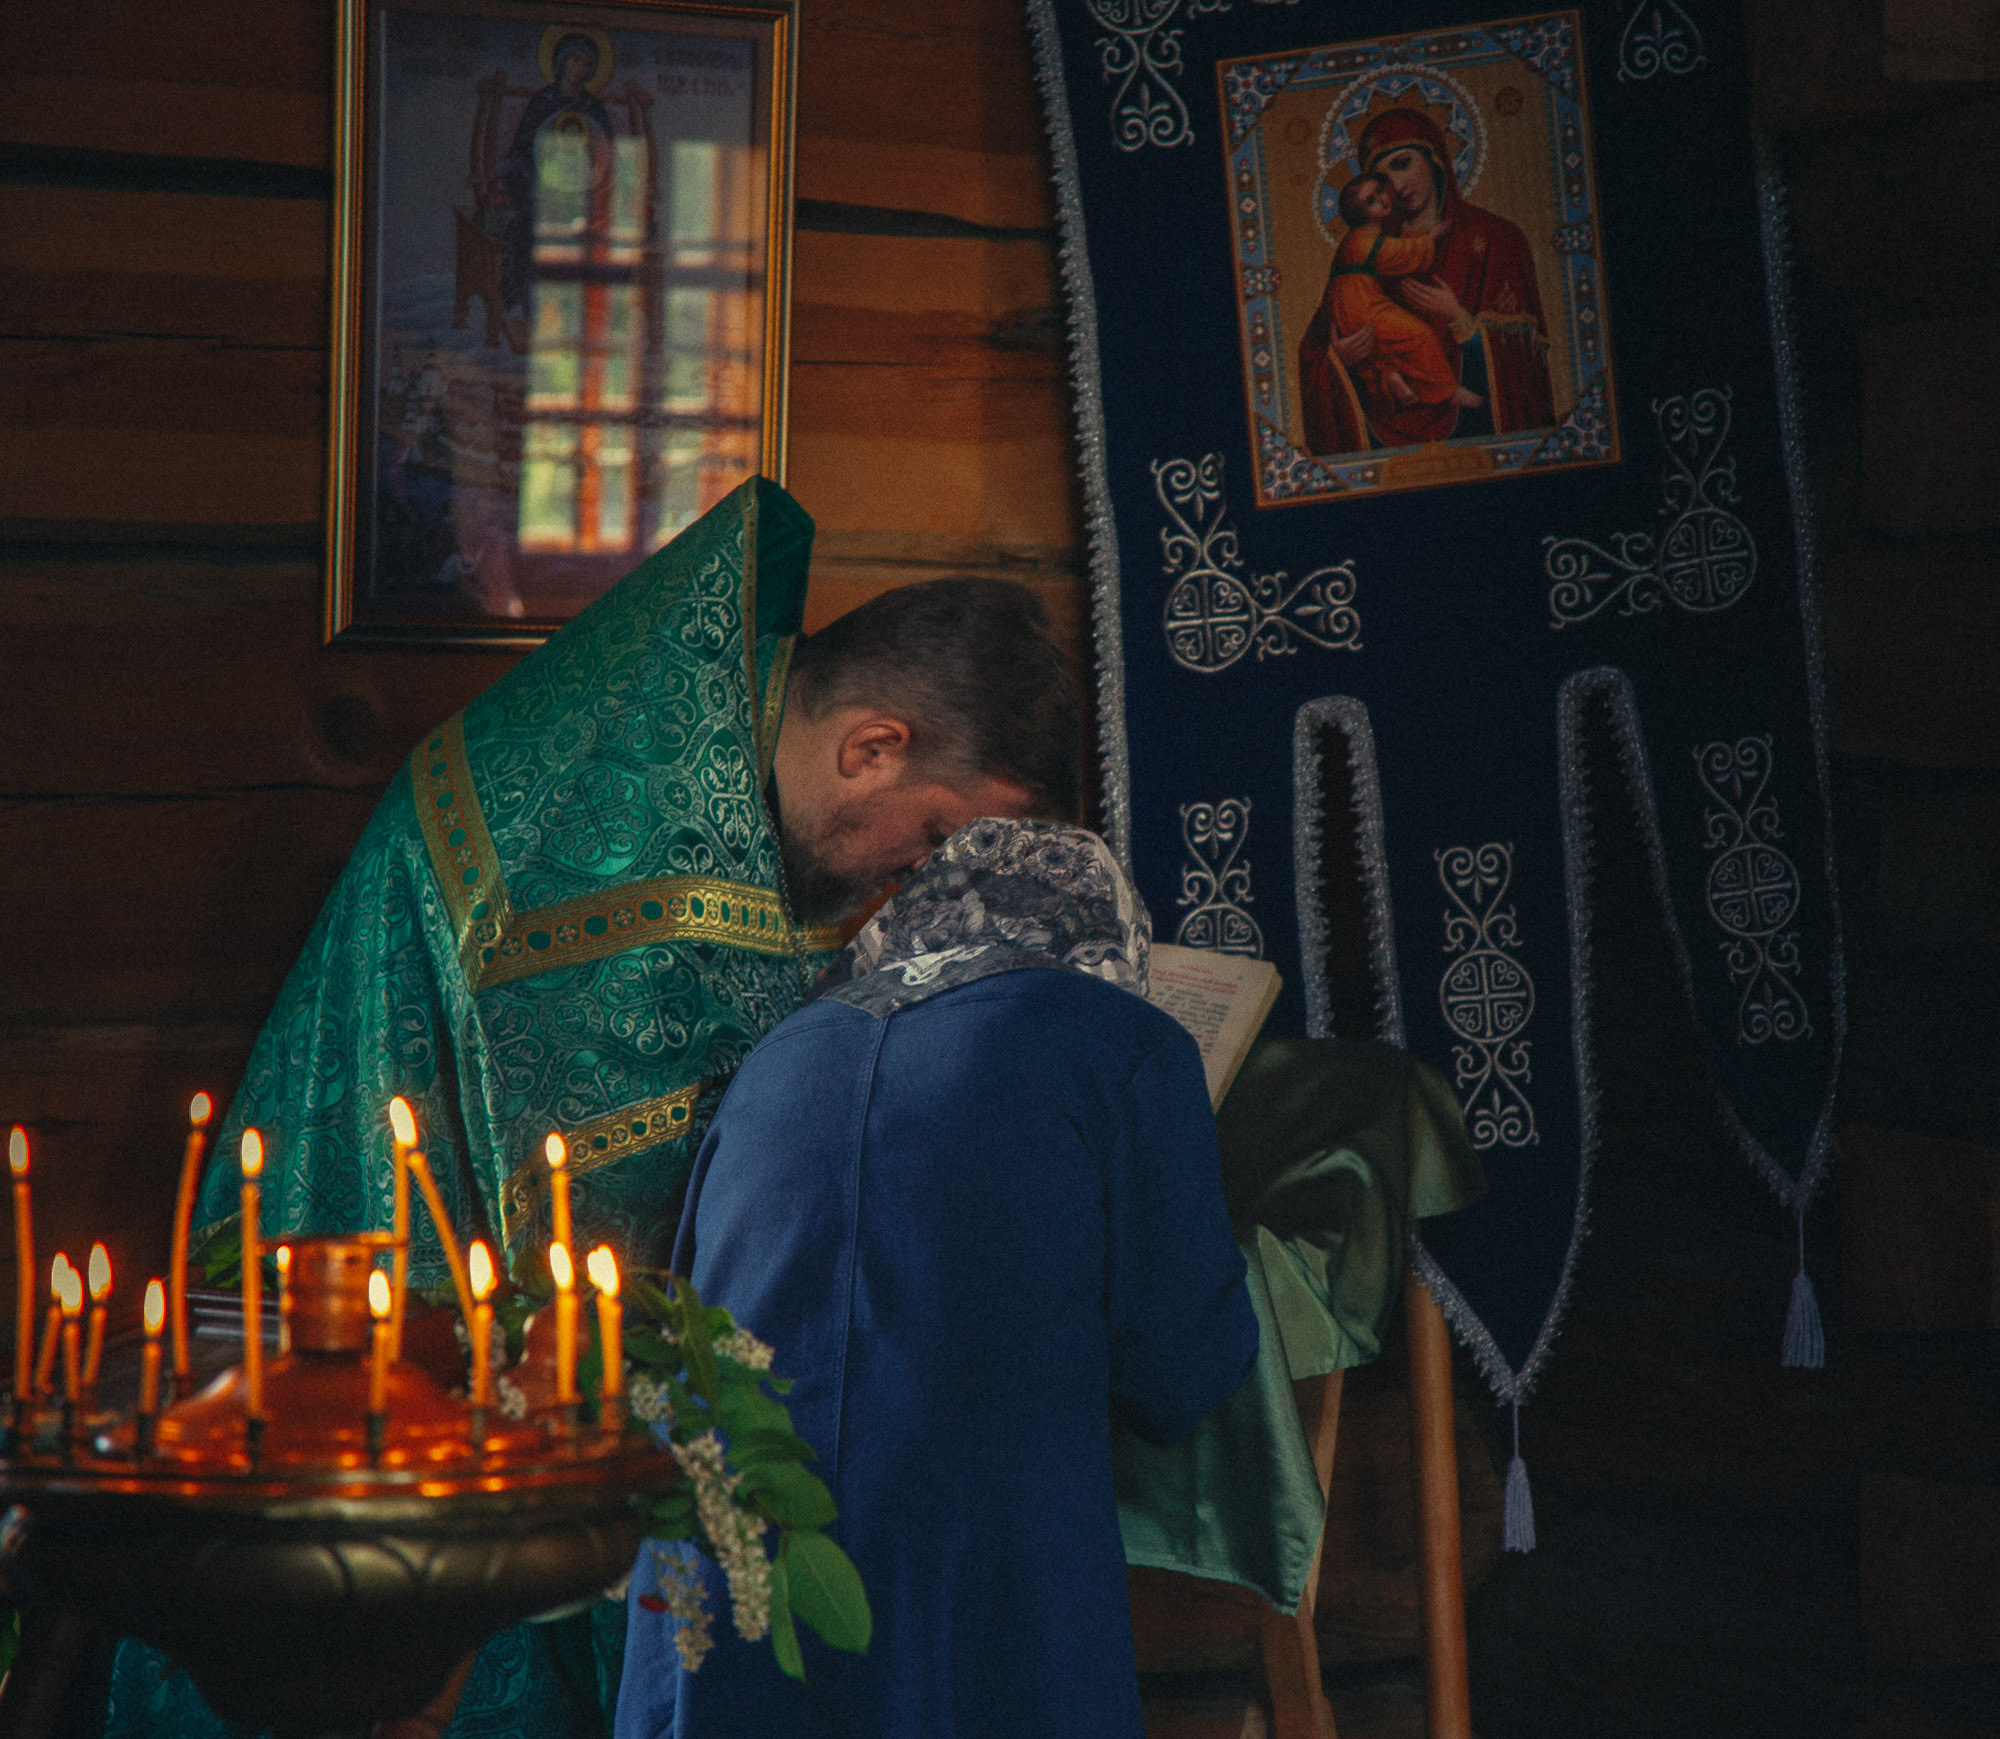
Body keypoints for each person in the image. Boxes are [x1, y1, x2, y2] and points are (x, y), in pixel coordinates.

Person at [102, 479, 1080, 1739]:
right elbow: (626, 1176)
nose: (923, 884)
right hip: (405, 1307)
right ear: (872, 745)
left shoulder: (742, 761)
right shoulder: (606, 828)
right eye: (935, 837)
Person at [617, 818, 1260, 1739]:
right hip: (971, 1578)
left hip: (725, 1567)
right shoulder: (1121, 1040)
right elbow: (1181, 1371)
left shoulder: (776, 1056)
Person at [1299, 105, 1557, 454]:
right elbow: (1315, 351)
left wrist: (1460, 320)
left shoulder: (1498, 239)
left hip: (1477, 435)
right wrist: (1339, 360)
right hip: (1383, 438)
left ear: (1434, 158)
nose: (1398, 186)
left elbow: (1526, 365)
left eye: (1404, 163)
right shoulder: (1369, 249)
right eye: (1383, 179)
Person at [1325, 173, 1484, 416]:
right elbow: (1398, 254)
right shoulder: (1363, 240)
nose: (1382, 198)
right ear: (1360, 213)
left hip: (1352, 308)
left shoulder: (1360, 239)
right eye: (1371, 200)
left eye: (1379, 190)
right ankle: (1448, 392)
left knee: (1387, 347)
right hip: (1364, 306)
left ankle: (1392, 378)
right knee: (1420, 335)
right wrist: (1430, 238)